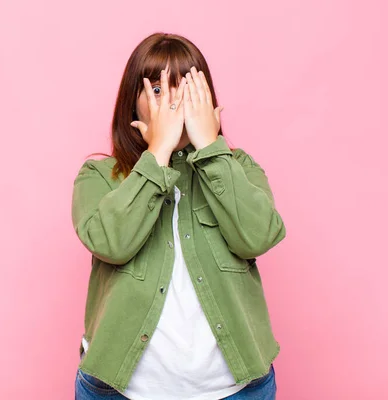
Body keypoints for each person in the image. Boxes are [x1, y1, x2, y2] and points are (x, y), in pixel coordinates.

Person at [71, 32, 286, 400]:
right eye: (156, 89)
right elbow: (111, 243)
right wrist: (157, 152)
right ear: (131, 103)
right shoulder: (99, 177)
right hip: (119, 391)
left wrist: (211, 149)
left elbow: (259, 235)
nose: (171, 101)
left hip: (235, 390)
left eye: (184, 88)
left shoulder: (239, 167)